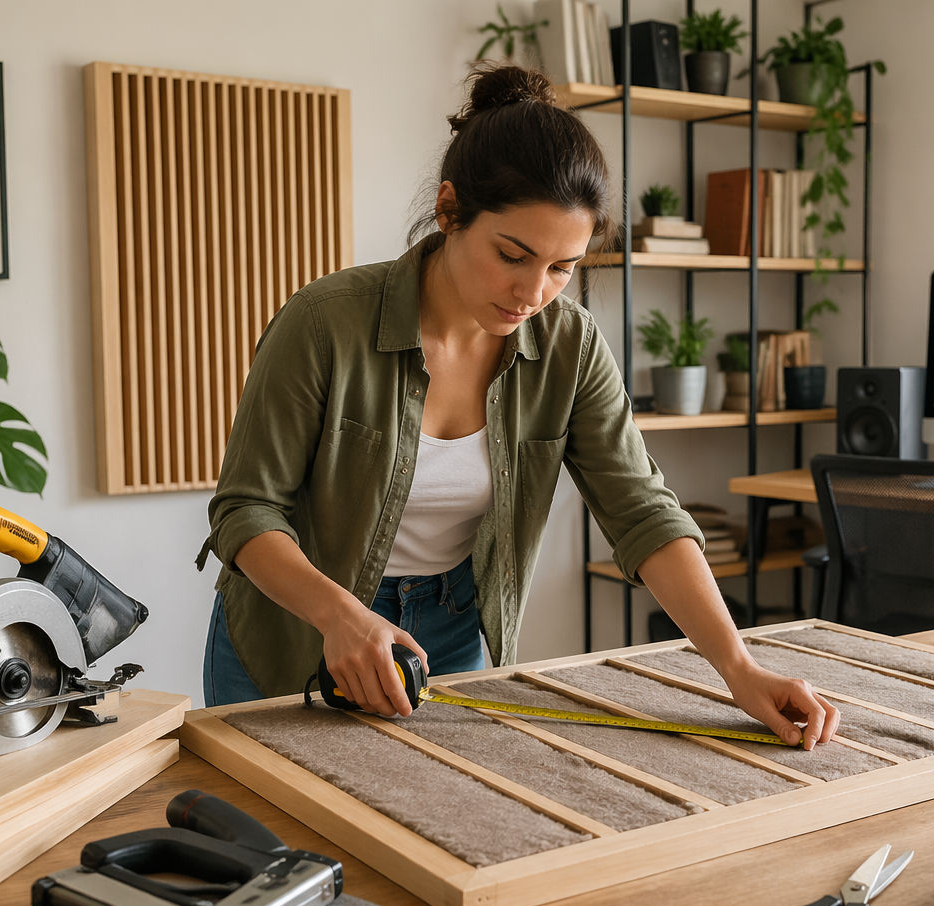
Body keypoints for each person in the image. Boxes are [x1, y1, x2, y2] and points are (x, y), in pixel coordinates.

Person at [197, 64, 839, 749]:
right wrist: (342, 617)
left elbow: (643, 511)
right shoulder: (325, 322)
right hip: (295, 631)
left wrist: (737, 668)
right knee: (273, 848)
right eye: (513, 255)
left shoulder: (570, 346)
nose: (535, 292)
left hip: (447, 634)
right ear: (449, 212)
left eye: (563, 268)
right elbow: (244, 509)